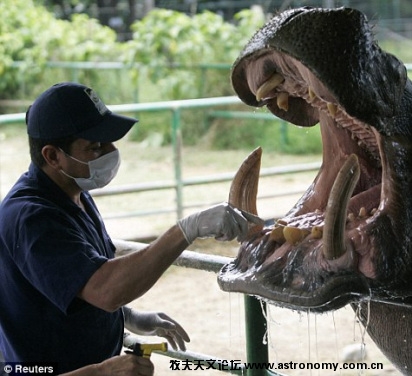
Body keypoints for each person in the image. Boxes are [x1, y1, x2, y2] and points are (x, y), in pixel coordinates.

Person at [0, 82, 262, 375]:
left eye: (109, 142)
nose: (111, 153)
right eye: (95, 147)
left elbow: (74, 283)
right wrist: (187, 230)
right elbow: (105, 289)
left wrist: (128, 317)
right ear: (52, 156)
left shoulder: (73, 193)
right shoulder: (31, 218)